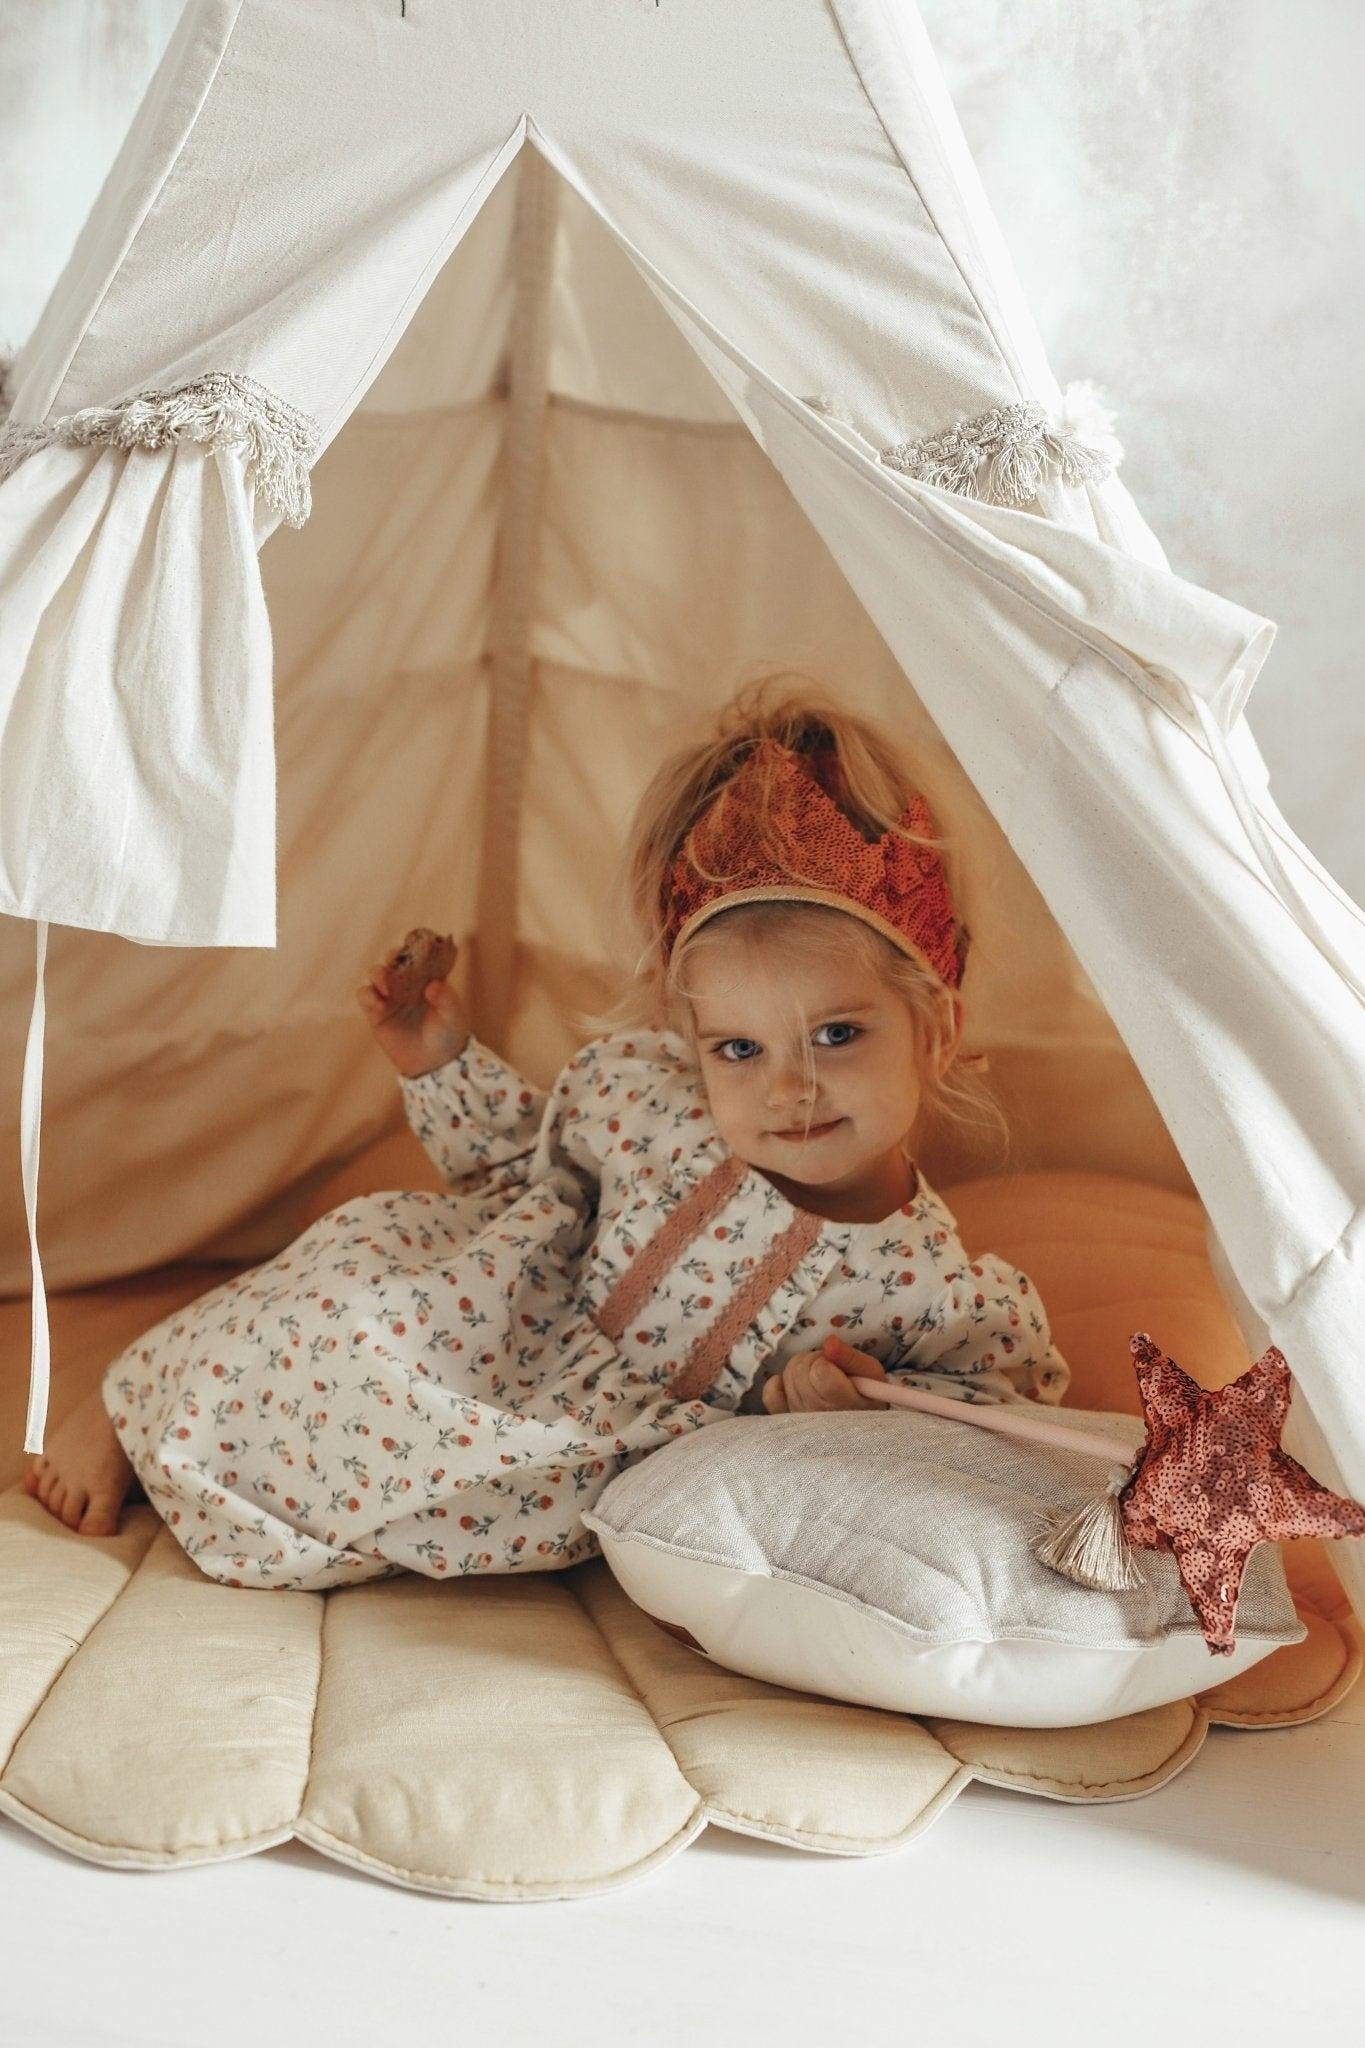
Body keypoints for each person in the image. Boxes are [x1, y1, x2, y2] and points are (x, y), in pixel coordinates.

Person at [23, 681, 1069, 1586]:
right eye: (739, 1049)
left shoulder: (929, 1285)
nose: (790, 1086)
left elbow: (990, 1418)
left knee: (423, 1490)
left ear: (937, 1028)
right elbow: (510, 1170)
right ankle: (129, 1399)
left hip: (579, 1442)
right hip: (496, 1309)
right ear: (693, 1040)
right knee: (330, 1304)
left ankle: (208, 1447)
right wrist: (441, 1062)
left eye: (836, 1033)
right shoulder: (657, 1109)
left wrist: (844, 1408)